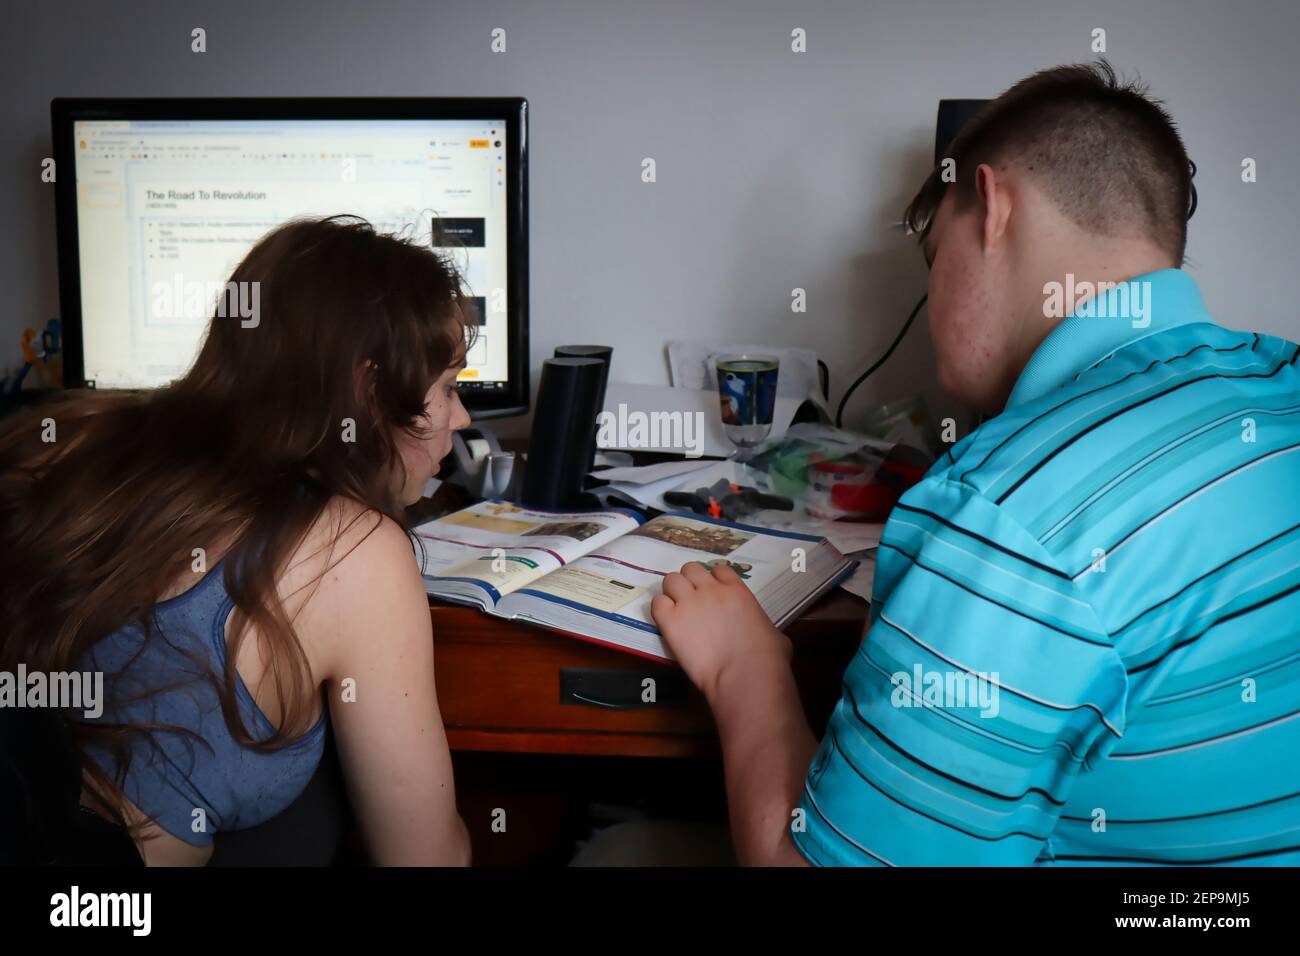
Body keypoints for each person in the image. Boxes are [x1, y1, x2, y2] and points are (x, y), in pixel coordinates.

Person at [650, 61, 1300, 865]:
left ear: (991, 209)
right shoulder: (1284, 387)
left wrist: (745, 670)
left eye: (932, 253)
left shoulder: (1005, 515)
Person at [0, 216, 473, 866]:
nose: (462, 417)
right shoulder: (356, 553)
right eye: (448, 389)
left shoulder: (71, 437)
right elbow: (425, 861)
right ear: (369, 389)